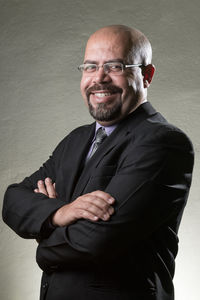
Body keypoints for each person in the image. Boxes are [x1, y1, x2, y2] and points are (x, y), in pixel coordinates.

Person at [2, 25, 194, 300]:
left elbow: (96, 241)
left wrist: (43, 239)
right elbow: (13, 200)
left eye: (115, 66)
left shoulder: (163, 142)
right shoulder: (76, 140)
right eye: (90, 66)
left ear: (146, 75)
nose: (99, 78)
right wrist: (61, 213)